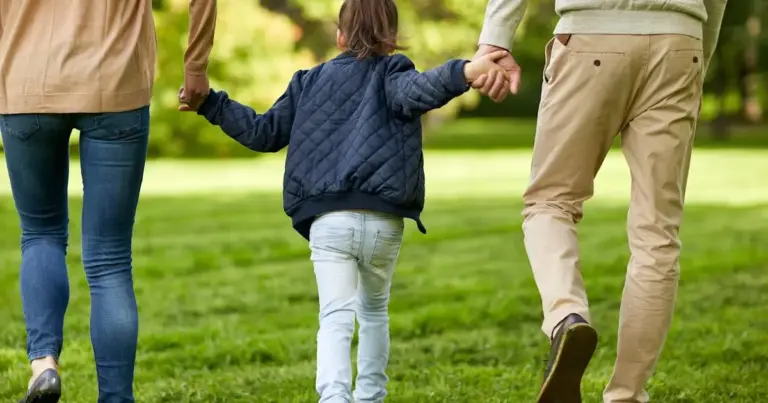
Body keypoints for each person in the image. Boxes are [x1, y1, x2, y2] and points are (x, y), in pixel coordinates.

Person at [179, 0, 510, 400]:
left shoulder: (307, 82)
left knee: (335, 316)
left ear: (339, 35)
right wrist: (467, 71)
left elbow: (263, 133)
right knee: (374, 313)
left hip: (329, 221)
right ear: (392, 38)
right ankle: (371, 395)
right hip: (384, 221)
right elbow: (423, 91)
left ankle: (334, 396)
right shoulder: (395, 71)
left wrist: (211, 104)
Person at [473, 1, 728, 402]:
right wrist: (697, 54)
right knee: (657, 234)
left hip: (593, 32)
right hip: (681, 41)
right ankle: (626, 395)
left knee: (550, 202)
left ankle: (566, 316)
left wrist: (495, 37)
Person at [0, 1, 217, 402]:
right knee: (110, 260)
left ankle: (44, 366)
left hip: (26, 86)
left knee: (41, 234)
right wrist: (196, 65)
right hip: (117, 86)